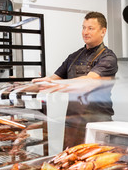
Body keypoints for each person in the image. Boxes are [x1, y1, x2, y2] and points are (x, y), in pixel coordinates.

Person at [33, 11, 118, 148]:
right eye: (83, 27)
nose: (85, 32)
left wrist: (57, 85)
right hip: (73, 123)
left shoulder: (108, 58)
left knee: (93, 165)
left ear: (103, 31)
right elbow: (54, 78)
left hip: (97, 123)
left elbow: (89, 81)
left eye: (90, 28)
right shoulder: (73, 57)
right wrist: (38, 83)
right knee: (70, 164)